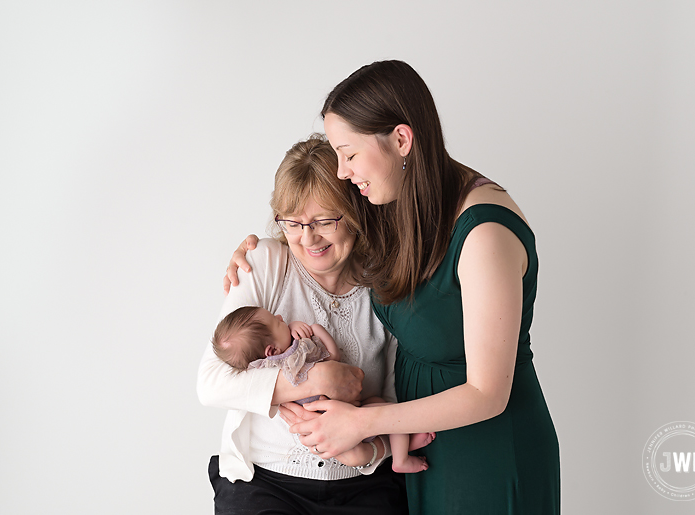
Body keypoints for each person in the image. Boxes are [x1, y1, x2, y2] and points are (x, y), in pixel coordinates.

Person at [225, 60, 560, 514]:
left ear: (401, 140)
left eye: (349, 153)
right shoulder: (396, 202)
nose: (342, 171)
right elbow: (317, 225)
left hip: (486, 451)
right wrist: (260, 246)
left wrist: (362, 423)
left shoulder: (484, 234)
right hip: (418, 450)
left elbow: (488, 393)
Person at [197, 134, 411, 515]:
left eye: (324, 221)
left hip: (363, 484)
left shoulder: (387, 282)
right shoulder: (266, 263)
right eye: (293, 223)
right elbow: (211, 384)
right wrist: (314, 382)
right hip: (266, 484)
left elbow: (393, 400)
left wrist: (367, 450)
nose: (307, 238)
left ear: (356, 211)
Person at [212, 305, 433, 473]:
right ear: (271, 349)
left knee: (374, 424)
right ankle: (401, 457)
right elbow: (334, 356)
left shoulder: (261, 370)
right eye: (277, 322)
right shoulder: (298, 352)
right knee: (388, 410)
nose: (281, 318)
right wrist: (315, 329)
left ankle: (399, 449)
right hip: (342, 422)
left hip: (323, 431)